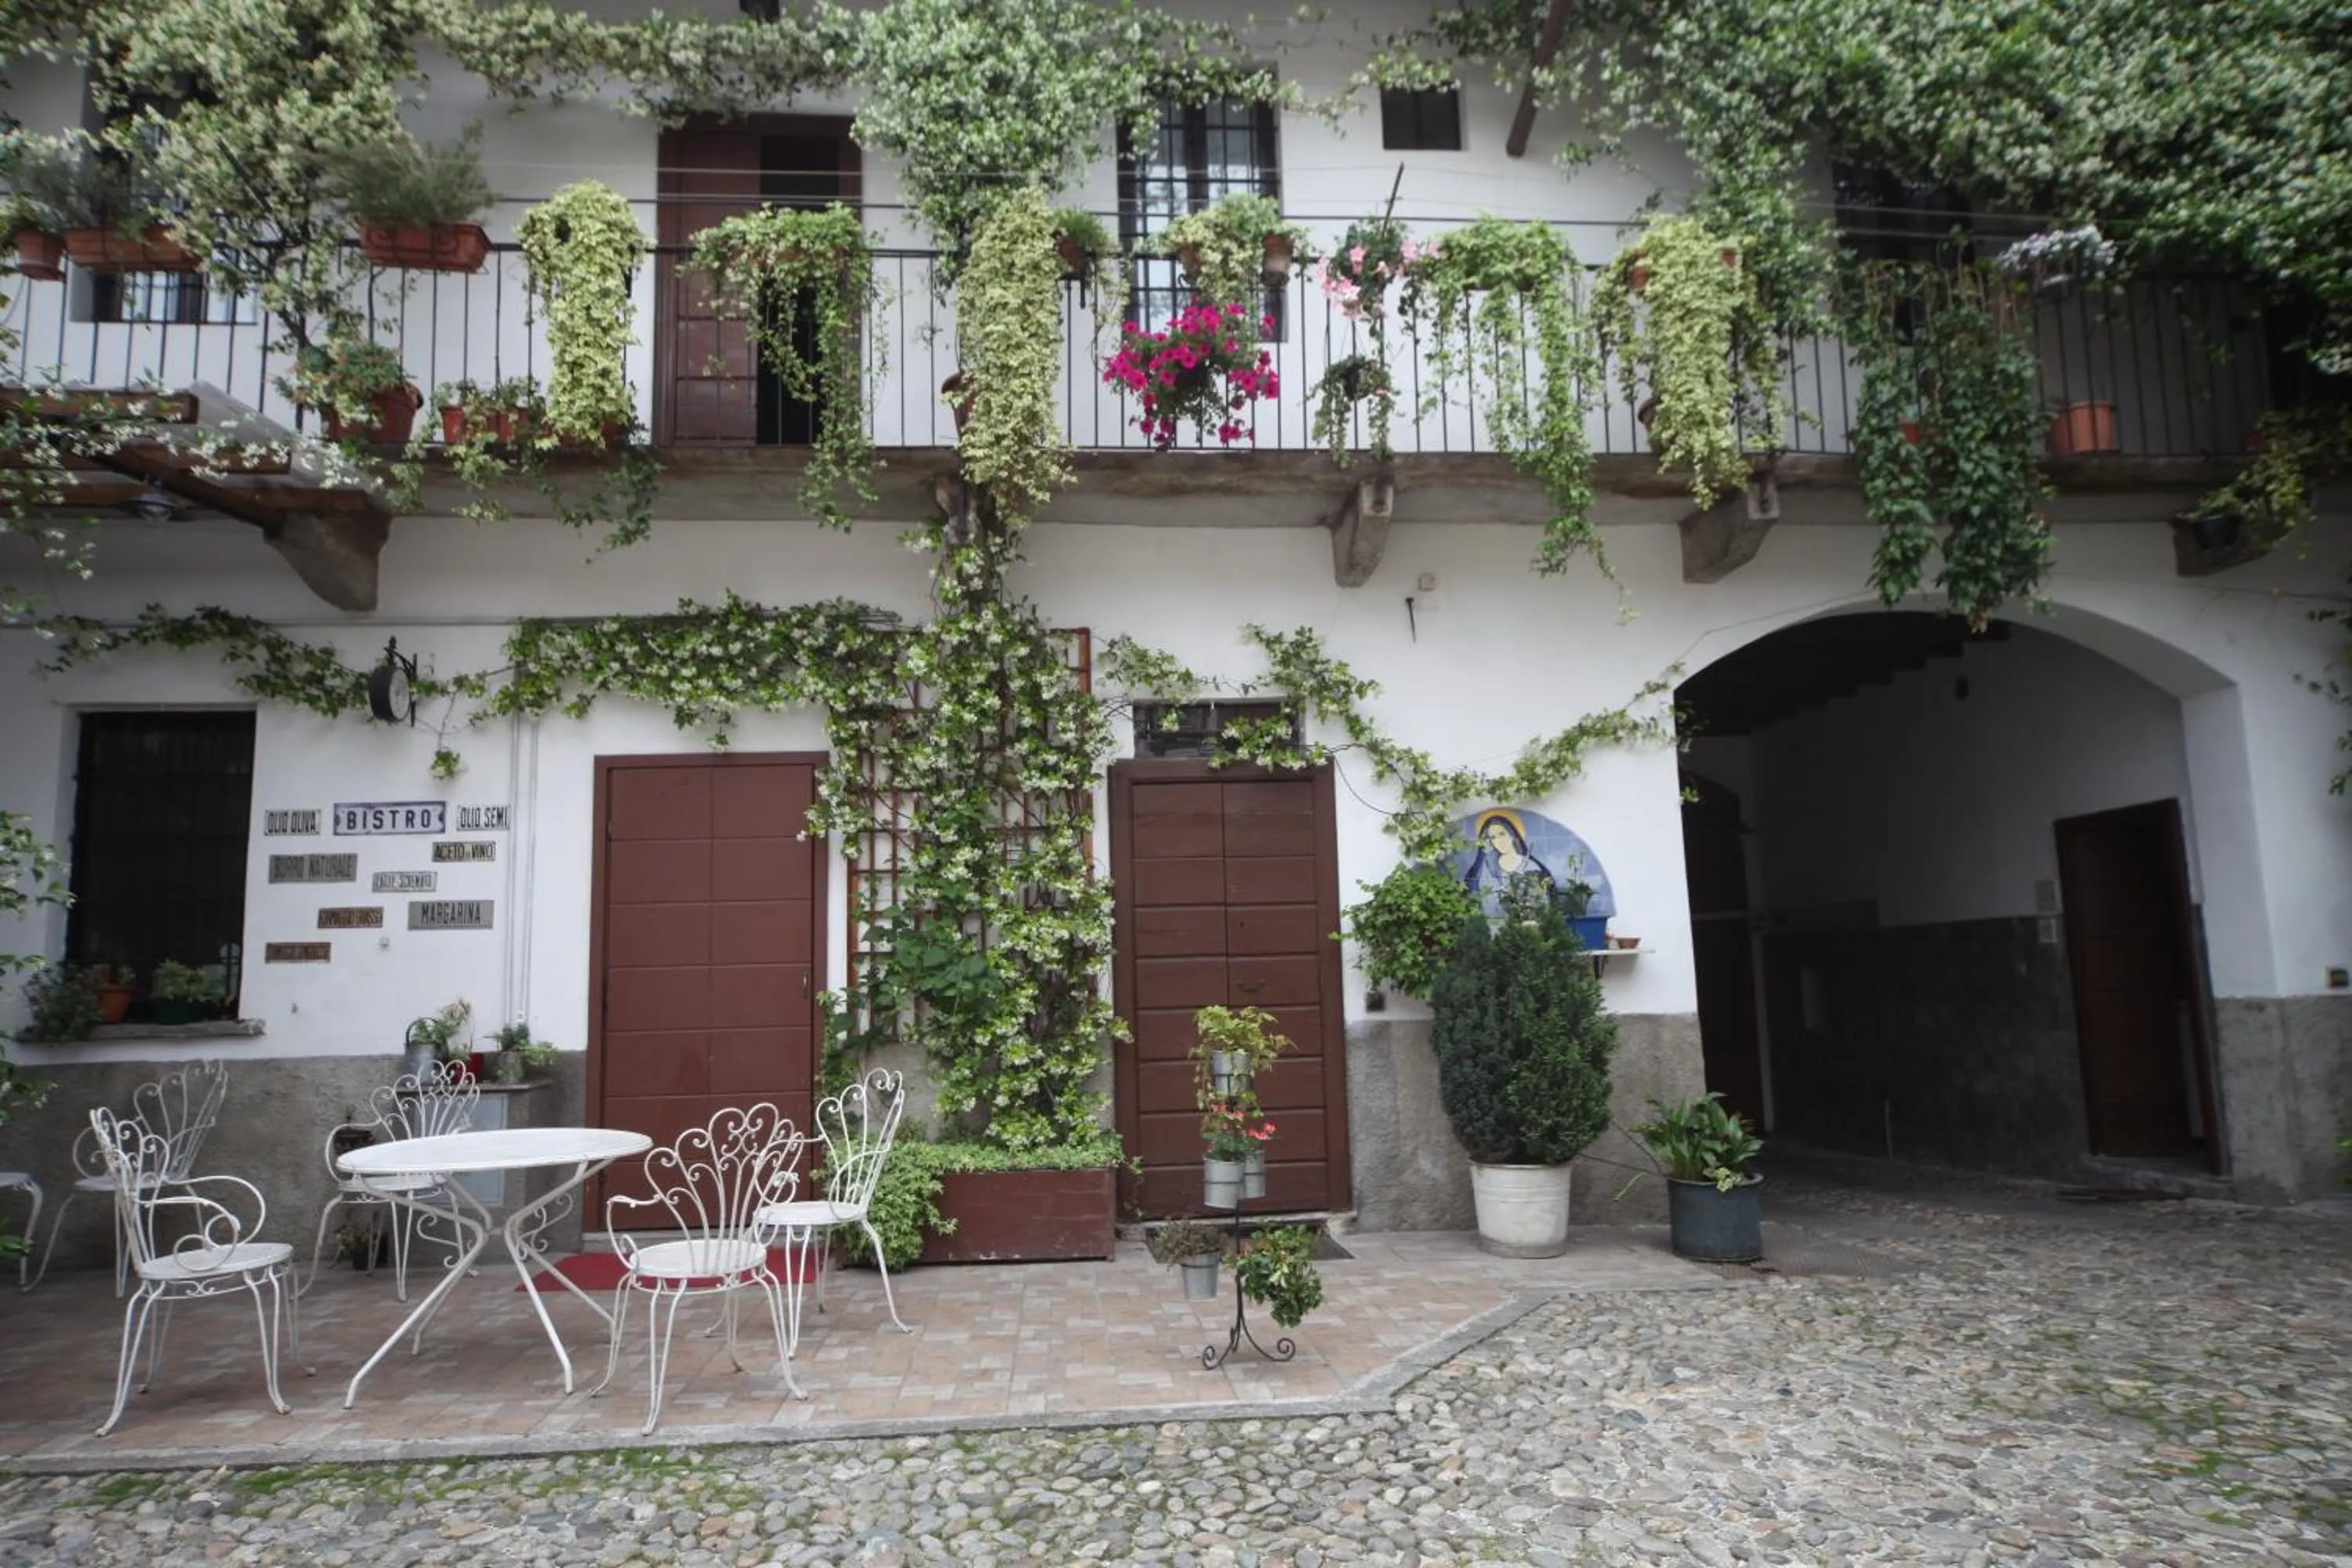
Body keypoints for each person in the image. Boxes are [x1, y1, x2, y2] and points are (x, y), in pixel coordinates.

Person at [1462, 811, 1557, 906]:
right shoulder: (1487, 866)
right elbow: (1477, 893)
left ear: (1512, 834)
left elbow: (1542, 899)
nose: (1499, 841)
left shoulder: (1530, 866)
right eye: (1493, 837)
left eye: (1502, 834)